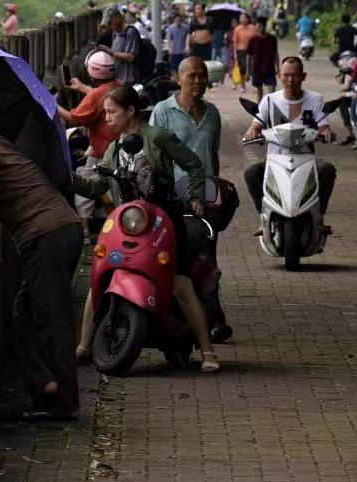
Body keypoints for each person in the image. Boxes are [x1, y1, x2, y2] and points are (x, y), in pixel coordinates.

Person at [75, 85, 221, 373]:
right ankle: (83, 346)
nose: (107, 118)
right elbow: (97, 187)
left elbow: (193, 164)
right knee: (101, 277)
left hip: (163, 223)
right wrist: (67, 178)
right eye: (105, 112)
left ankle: (208, 351)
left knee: (179, 284)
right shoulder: (114, 148)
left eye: (111, 112)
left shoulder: (157, 137)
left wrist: (195, 195)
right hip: (127, 226)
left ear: (130, 111)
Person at [0, 129, 85, 419]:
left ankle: (64, 403)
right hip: (59, 228)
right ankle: (45, 386)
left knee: (53, 320)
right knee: (24, 314)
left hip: (46, 235)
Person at [149, 56, 239, 342]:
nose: (198, 81)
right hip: (174, 199)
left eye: (202, 75)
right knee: (178, 258)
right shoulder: (163, 111)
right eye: (192, 76)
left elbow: (212, 156)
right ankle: (189, 319)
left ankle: (214, 320)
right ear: (179, 79)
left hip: (205, 200)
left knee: (206, 257)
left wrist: (213, 192)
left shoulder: (212, 114)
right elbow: (153, 156)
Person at [242, 56, 337, 235]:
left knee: (327, 170)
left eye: (295, 75)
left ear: (303, 76)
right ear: (279, 75)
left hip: (306, 159)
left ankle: (320, 217)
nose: (290, 79)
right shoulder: (269, 100)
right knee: (251, 172)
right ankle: (263, 217)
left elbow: (323, 125)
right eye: (286, 75)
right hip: (275, 160)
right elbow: (256, 125)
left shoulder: (315, 99)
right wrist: (252, 132)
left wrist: (326, 132)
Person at [57, 49, 122, 241]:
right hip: (119, 148)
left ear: (91, 71)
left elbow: (74, 117)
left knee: (85, 187)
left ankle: (85, 231)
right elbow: (103, 95)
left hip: (101, 151)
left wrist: (52, 104)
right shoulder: (119, 86)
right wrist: (82, 87)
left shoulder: (95, 96)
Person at [246, 17, 280, 101]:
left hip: (269, 69)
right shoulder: (252, 40)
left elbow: (275, 54)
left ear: (264, 26)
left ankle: (271, 107)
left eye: (260, 26)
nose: (258, 28)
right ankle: (260, 107)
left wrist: (278, 68)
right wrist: (248, 71)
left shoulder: (272, 39)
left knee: (272, 92)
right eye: (257, 26)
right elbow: (249, 56)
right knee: (259, 92)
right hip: (257, 69)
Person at [109, 11, 141, 85]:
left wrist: (111, 52)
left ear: (118, 19)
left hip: (129, 78)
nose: (110, 27)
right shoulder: (115, 33)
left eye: (111, 23)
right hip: (118, 76)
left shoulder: (131, 32)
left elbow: (130, 57)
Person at [232, 12, 258, 92]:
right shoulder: (237, 29)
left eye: (244, 18)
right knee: (242, 68)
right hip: (241, 50)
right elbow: (235, 42)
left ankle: (255, 85)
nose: (242, 19)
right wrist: (235, 53)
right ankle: (243, 86)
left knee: (253, 68)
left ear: (247, 19)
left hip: (251, 51)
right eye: (241, 18)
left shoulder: (253, 28)